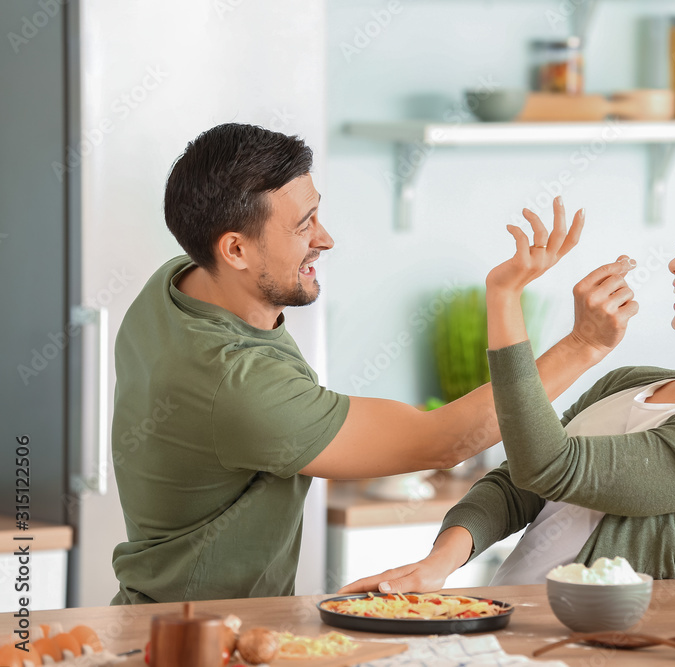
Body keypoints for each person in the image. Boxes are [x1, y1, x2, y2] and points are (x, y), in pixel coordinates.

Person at [109, 123, 639, 604]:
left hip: (172, 617)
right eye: (304, 225)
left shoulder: (177, 283)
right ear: (236, 251)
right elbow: (443, 441)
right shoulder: (238, 384)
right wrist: (584, 345)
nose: (326, 238)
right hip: (198, 638)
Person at [341, 183, 675, 593]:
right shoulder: (630, 383)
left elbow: (549, 466)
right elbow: (517, 484)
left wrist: (506, 298)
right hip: (510, 633)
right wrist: (438, 564)